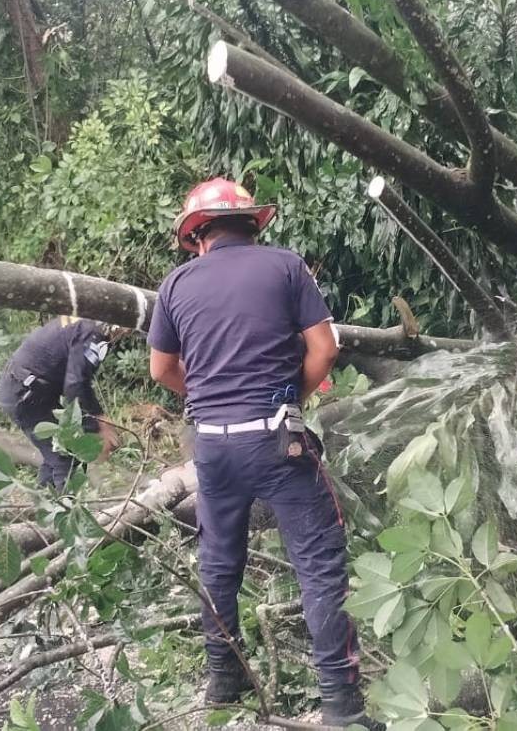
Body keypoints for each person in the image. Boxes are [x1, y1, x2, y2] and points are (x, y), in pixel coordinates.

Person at [147, 178, 382, 729]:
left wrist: (209, 398)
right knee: (320, 567)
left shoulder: (176, 284)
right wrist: (290, 398)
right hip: (278, 438)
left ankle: (224, 681)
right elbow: (325, 347)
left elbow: (161, 369)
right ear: (253, 225)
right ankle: (341, 708)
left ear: (197, 236)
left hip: (213, 446)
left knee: (218, 562)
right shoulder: (285, 266)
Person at [0, 316, 121, 491]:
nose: (127, 334)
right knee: (65, 454)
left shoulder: (87, 323)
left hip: (32, 389)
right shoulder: (92, 334)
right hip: (26, 393)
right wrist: (97, 425)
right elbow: (75, 385)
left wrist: (94, 421)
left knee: (56, 453)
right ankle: (64, 511)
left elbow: (77, 383)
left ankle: (44, 505)